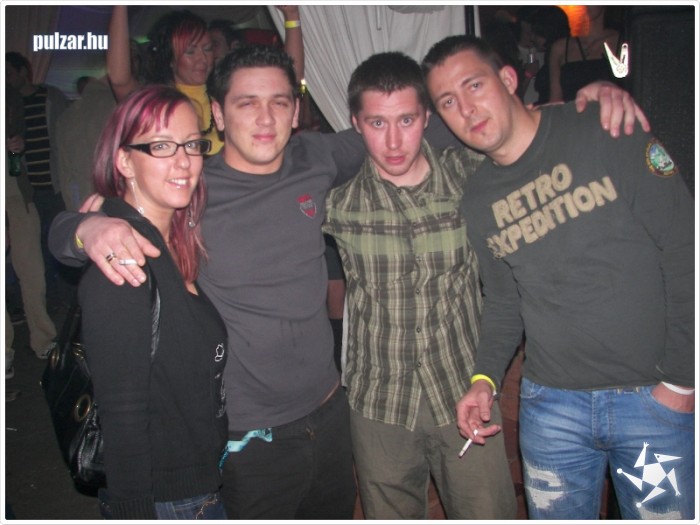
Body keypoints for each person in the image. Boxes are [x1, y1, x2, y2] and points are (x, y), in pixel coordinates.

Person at [50, 43, 647, 520]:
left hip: (335, 412)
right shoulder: (192, 186)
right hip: (252, 435)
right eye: (247, 104)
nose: (266, 118)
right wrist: (82, 228)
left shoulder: (321, 159)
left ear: (297, 110)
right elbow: (109, 217)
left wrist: (581, 103)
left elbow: (462, 123)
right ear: (218, 113)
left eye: (280, 102)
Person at [422, 35, 695, 520]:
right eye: (448, 101)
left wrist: (682, 380)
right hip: (551, 408)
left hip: (650, 400)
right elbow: (504, 301)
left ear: (508, 79)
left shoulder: (605, 128)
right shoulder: (479, 198)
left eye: (474, 85)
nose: (466, 109)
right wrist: (483, 379)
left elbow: (685, 246)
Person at [323, 51, 516, 519]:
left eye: (406, 120)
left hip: (465, 387)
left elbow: (528, 138)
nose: (393, 141)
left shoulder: (470, 175)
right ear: (356, 123)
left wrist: (592, 99)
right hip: (379, 401)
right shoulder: (337, 203)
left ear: (427, 117)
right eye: (377, 123)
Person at [79, 85, 228, 520]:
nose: (184, 161)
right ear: (124, 161)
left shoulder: (171, 242)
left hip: (197, 486)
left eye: (192, 144)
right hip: (169, 502)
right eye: (161, 146)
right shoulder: (125, 263)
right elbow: (122, 418)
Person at [5, 51, 70, 296]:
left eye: (9, 73)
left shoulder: (50, 96)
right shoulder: (10, 105)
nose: (6, 79)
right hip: (27, 189)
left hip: (54, 183)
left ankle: (65, 296)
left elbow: (66, 137)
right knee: (36, 246)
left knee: (59, 240)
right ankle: (50, 297)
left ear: (24, 71)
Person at [4, 83, 58, 363]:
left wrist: (18, 146)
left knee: (33, 272)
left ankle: (43, 338)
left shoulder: (10, 96)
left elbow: (19, 138)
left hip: (17, 195)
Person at [549, 6, 625, 103]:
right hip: (572, 112)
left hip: (611, 111)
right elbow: (555, 101)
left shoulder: (623, 41)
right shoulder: (560, 48)